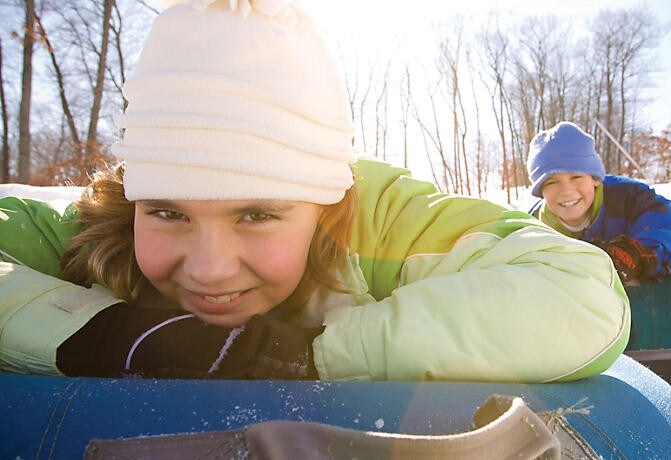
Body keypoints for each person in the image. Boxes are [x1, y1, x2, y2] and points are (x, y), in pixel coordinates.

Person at [0, 1, 628, 382]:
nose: (210, 269)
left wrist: (303, 356)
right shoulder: (97, 228)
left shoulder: (383, 225)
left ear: (325, 202)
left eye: (258, 214)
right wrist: (106, 333)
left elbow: (579, 295)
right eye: (166, 211)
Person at [527, 122, 671, 284]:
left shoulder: (629, 198)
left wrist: (638, 253)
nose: (566, 190)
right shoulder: (531, 230)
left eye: (576, 177)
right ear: (540, 192)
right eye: (551, 182)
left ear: (595, 179)